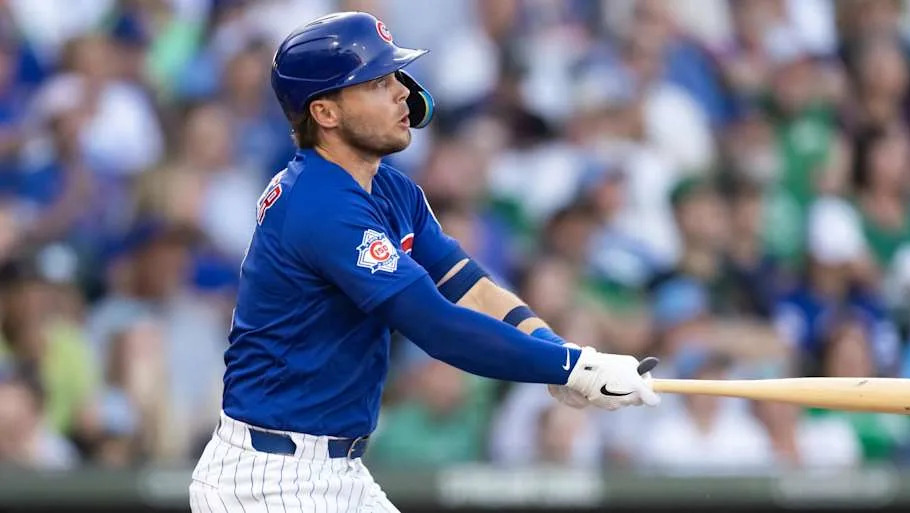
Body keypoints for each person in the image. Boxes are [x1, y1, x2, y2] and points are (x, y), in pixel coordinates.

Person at [188, 11, 659, 513]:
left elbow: (471, 288)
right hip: (269, 479)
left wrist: (558, 351)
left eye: (394, 77)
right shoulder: (319, 203)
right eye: (376, 82)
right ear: (325, 113)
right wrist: (570, 368)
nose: (400, 94)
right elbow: (437, 326)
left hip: (334, 471)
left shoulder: (391, 189)